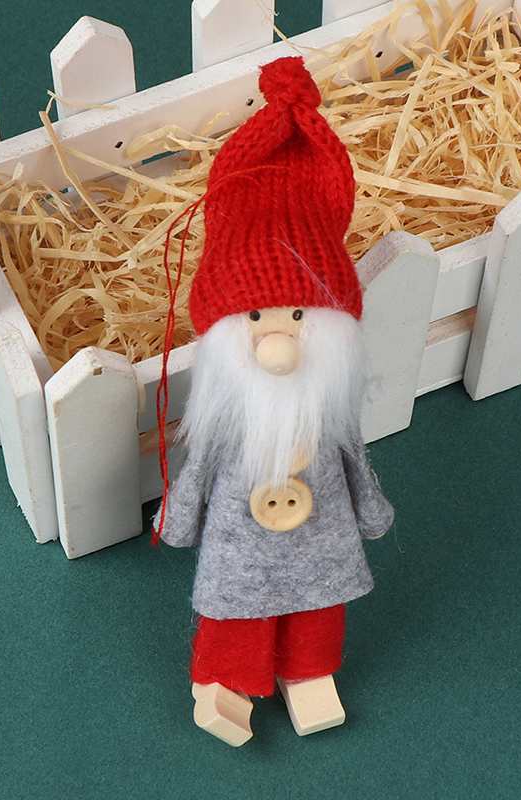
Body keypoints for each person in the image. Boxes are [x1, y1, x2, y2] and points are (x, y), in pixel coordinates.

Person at [155, 56, 394, 746]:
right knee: (238, 604)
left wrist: (370, 512)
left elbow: (352, 461)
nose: (279, 341)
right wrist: (179, 521)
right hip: (243, 540)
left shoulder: (327, 410)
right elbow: (199, 468)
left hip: (321, 538)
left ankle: (309, 672)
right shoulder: (229, 416)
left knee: (320, 605)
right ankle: (227, 680)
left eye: (298, 314)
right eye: (257, 317)